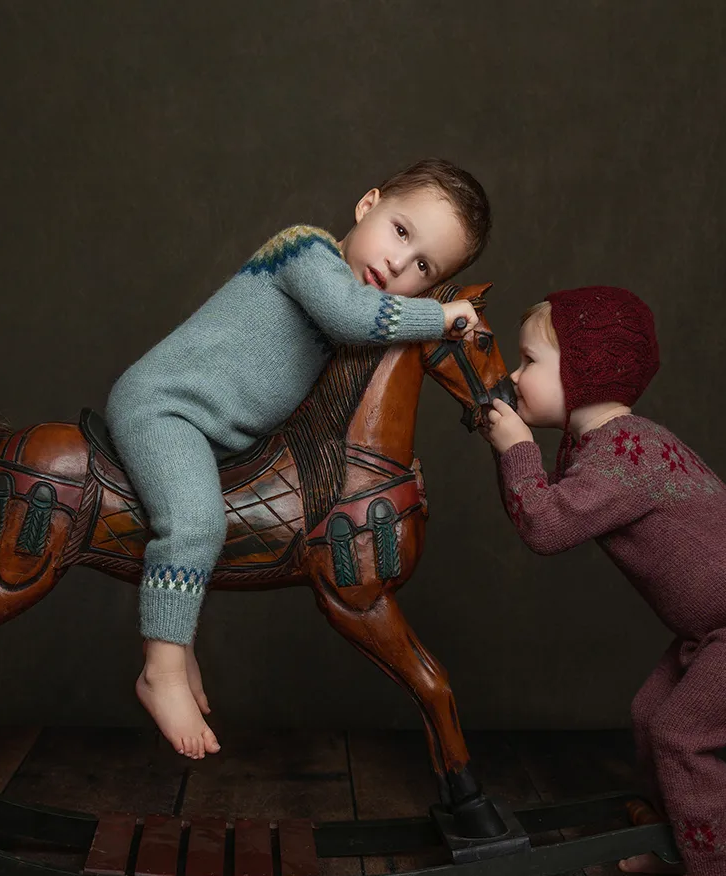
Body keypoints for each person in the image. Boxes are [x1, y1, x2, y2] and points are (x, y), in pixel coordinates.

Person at [106, 159, 492, 760]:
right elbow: (354, 317)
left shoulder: (351, 303)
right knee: (196, 524)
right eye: (400, 231)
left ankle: (177, 652)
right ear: (367, 205)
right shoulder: (305, 251)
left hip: (216, 432)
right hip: (166, 408)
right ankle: (161, 668)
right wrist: (441, 315)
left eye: (424, 268)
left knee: (217, 514)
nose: (397, 263)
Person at [478, 287, 726, 876]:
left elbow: (546, 528)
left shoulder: (624, 453)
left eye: (528, 362)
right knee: (650, 712)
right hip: (721, 626)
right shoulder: (606, 445)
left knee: (681, 733)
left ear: (582, 372)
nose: (514, 376)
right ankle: (677, 842)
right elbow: (555, 504)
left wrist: (513, 449)